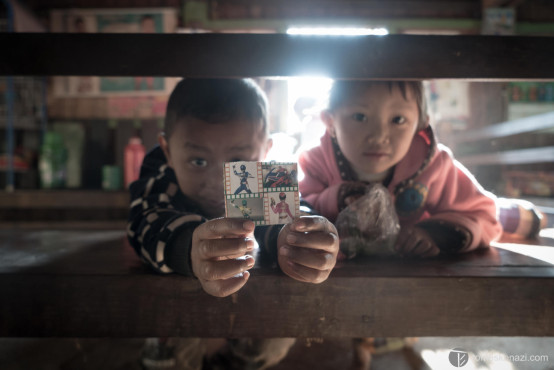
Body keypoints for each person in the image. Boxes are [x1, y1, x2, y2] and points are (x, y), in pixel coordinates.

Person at [128, 78, 339, 370]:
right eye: (198, 161)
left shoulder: (263, 175)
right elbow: (146, 224)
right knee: (170, 353)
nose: (218, 180)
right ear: (167, 150)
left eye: (238, 160)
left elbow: (291, 213)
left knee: (275, 333)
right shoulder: (159, 175)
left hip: (248, 308)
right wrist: (188, 248)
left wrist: (296, 236)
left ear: (266, 151)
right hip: (177, 307)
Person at [298, 80, 503, 369]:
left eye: (398, 120)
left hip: (403, 266)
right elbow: (298, 205)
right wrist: (336, 198)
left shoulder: (433, 164)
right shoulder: (316, 160)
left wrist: (436, 235)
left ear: (420, 124)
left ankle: (524, 217)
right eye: (360, 117)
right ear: (330, 121)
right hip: (339, 272)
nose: (379, 135)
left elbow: (484, 216)